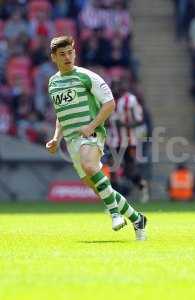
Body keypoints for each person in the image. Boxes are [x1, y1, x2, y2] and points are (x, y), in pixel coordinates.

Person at [45, 36, 147, 241]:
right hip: (72, 142)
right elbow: (61, 114)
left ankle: (115, 214)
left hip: (92, 134)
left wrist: (91, 126)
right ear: (54, 57)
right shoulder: (53, 83)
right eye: (62, 54)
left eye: (70, 52)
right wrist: (56, 138)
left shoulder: (87, 76)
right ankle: (138, 219)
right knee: (101, 188)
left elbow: (109, 103)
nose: (67, 57)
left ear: (75, 53)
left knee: (91, 167)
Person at [108, 79, 150, 203]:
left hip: (128, 141)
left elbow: (139, 120)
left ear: (123, 86)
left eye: (117, 85)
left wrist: (125, 125)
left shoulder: (129, 100)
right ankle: (114, 201)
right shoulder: (108, 101)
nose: (114, 88)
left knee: (129, 171)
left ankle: (143, 186)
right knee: (113, 169)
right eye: (112, 86)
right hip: (113, 141)